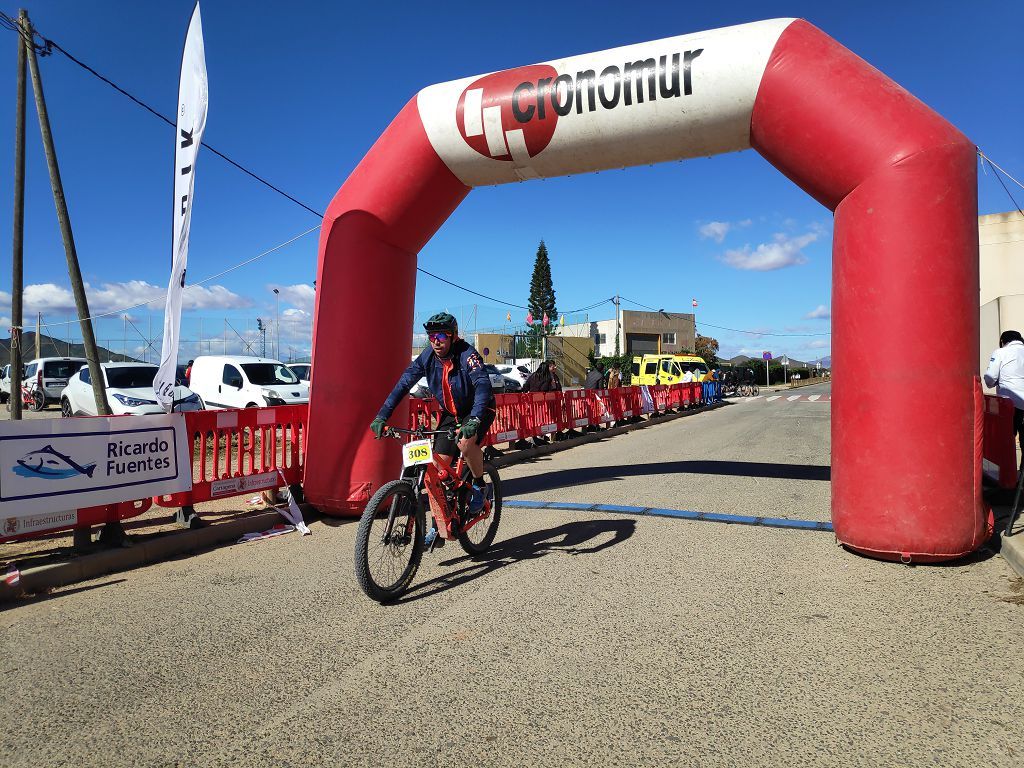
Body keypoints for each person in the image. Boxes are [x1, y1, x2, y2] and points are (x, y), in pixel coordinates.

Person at [370, 312, 495, 527]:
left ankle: (479, 486)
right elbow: (403, 385)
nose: (436, 341)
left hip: (478, 409)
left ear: (453, 336)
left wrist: (475, 418)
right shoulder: (428, 357)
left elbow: (482, 384)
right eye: (432, 337)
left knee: (465, 444)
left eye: (442, 336)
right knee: (438, 469)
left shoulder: (467, 354)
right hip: (450, 413)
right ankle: (440, 524)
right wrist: (382, 415)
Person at [984, 330, 1024, 448]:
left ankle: (1009, 467)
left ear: (1002, 341)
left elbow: (990, 378)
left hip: (1011, 403)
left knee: (1007, 439)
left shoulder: (1001, 352)